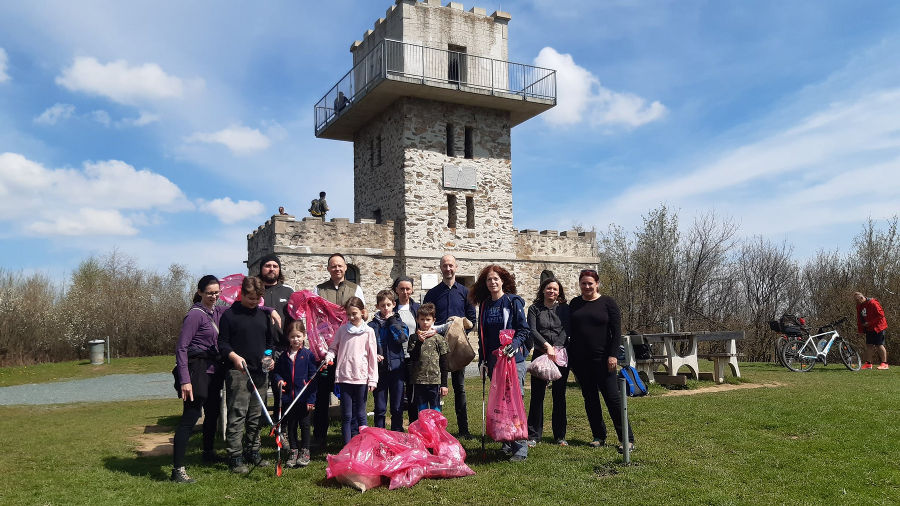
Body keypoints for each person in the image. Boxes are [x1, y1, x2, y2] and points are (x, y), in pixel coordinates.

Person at [469, 264, 531, 462]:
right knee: (500, 403)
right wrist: (483, 360)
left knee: (514, 401)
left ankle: (520, 447)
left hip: (514, 361)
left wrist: (514, 344)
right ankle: (506, 440)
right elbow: (483, 336)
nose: (493, 282)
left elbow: (524, 330)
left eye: (496, 279)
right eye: (489, 279)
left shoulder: (513, 302)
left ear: (503, 280)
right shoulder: (486, 305)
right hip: (495, 363)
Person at [568, 269, 634, 452]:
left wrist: (613, 355)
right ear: (580, 284)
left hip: (604, 360)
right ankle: (599, 435)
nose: (587, 286)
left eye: (590, 283)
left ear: (597, 284)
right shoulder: (575, 304)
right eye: (583, 283)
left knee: (613, 399)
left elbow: (616, 333)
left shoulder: (608, 303)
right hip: (581, 361)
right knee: (590, 399)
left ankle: (626, 438)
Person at [171, 275, 227, 483]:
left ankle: (208, 451)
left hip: (214, 371)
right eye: (210, 293)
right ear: (200, 292)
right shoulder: (195, 315)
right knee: (190, 417)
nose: (214, 296)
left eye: (217, 292)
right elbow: (182, 348)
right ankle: (178, 470)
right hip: (197, 371)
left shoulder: (218, 311)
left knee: (212, 413)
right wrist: (185, 380)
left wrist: (267, 308)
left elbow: (241, 311)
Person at [218, 276, 277, 474]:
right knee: (237, 415)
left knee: (255, 416)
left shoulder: (263, 316)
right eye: (250, 298)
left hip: (260, 372)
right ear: (241, 294)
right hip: (238, 373)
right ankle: (235, 456)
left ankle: (254, 451)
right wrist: (234, 356)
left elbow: (270, 344)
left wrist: (269, 357)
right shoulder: (229, 315)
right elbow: (223, 344)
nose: (254, 302)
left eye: (257, 298)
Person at [312, 253, 364, 449]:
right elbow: (316, 318)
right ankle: (319, 436)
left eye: (340, 266)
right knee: (322, 394)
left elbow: (361, 316)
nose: (337, 269)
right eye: (333, 266)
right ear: (328, 269)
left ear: (345, 267)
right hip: (326, 350)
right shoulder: (320, 289)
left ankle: (351, 437)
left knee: (349, 396)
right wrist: (323, 348)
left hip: (348, 352)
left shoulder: (355, 289)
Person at [423, 254, 477, 439]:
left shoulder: (465, 292)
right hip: (437, 350)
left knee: (459, 388)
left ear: (456, 267)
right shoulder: (432, 294)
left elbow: (472, 319)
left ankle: (464, 430)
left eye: (451, 265)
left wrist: (459, 336)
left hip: (458, 349)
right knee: (436, 389)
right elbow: (426, 320)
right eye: (445, 266)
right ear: (440, 268)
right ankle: (436, 431)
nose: (448, 269)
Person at [324, 297, 379, 445]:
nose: (351, 317)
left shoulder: (369, 331)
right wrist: (329, 355)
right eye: (348, 314)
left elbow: (373, 357)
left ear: (362, 312)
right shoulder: (342, 330)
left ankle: (363, 445)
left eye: (354, 313)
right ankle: (347, 447)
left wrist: (373, 379)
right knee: (347, 415)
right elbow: (333, 347)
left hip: (361, 378)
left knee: (361, 414)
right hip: (344, 377)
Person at [526, 277, 571, 447]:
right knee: (537, 395)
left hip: (560, 355)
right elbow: (532, 329)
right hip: (541, 354)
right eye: (549, 288)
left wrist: (556, 347)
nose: (551, 291)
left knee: (559, 395)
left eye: (555, 289)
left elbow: (566, 329)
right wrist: (546, 346)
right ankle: (533, 435)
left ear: (559, 292)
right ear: (543, 290)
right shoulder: (534, 309)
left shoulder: (564, 309)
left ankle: (560, 435)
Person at [273, 320, 318, 468]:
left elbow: (313, 379)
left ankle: (305, 450)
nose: (296, 339)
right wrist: (279, 380)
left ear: (304, 336)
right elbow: (277, 373)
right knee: (291, 426)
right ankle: (293, 450)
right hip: (288, 399)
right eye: (292, 336)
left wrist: (311, 399)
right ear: (288, 338)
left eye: (298, 336)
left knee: (305, 425)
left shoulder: (308, 355)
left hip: (303, 398)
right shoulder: (284, 356)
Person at [257, 254, 293, 419]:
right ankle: (260, 425)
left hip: (282, 348)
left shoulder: (288, 291)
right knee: (259, 388)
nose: (271, 269)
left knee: (281, 389)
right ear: (261, 269)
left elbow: (294, 320)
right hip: (258, 348)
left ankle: (281, 425)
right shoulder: (255, 290)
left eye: (275, 266)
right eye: (268, 265)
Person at [369, 289, 409, 431]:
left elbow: (402, 338)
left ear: (393, 305)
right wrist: (374, 354)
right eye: (382, 305)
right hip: (380, 371)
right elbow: (367, 346)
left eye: (388, 305)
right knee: (380, 407)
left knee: (397, 407)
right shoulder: (372, 326)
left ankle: (397, 433)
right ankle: (379, 435)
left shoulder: (398, 322)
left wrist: (392, 321)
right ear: (377, 306)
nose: (385, 308)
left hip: (397, 369)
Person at [407, 302, 450, 417]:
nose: (425, 322)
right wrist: (419, 343)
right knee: (422, 411)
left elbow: (444, 362)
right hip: (419, 381)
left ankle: (437, 432)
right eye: (422, 319)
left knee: (436, 411)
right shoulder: (414, 338)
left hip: (435, 381)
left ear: (433, 320)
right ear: (417, 320)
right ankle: (424, 433)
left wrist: (444, 384)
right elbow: (413, 357)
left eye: (428, 319)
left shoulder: (439, 339)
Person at [392, 276, 420, 423]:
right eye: (401, 288)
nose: (405, 292)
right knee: (397, 393)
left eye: (408, 288)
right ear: (396, 290)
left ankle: (414, 424)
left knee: (412, 393)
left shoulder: (417, 308)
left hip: (412, 357)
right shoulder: (391, 308)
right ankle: (396, 425)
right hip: (395, 357)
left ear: (412, 290)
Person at [855, 291, 889, 370]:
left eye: (857, 300)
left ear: (862, 298)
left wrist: (870, 323)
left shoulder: (873, 303)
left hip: (879, 327)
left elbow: (881, 315)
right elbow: (859, 319)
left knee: (879, 344)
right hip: (869, 328)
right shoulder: (859, 306)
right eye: (855, 301)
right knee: (869, 345)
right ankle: (868, 363)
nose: (856, 302)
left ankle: (884, 364)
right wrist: (860, 331)